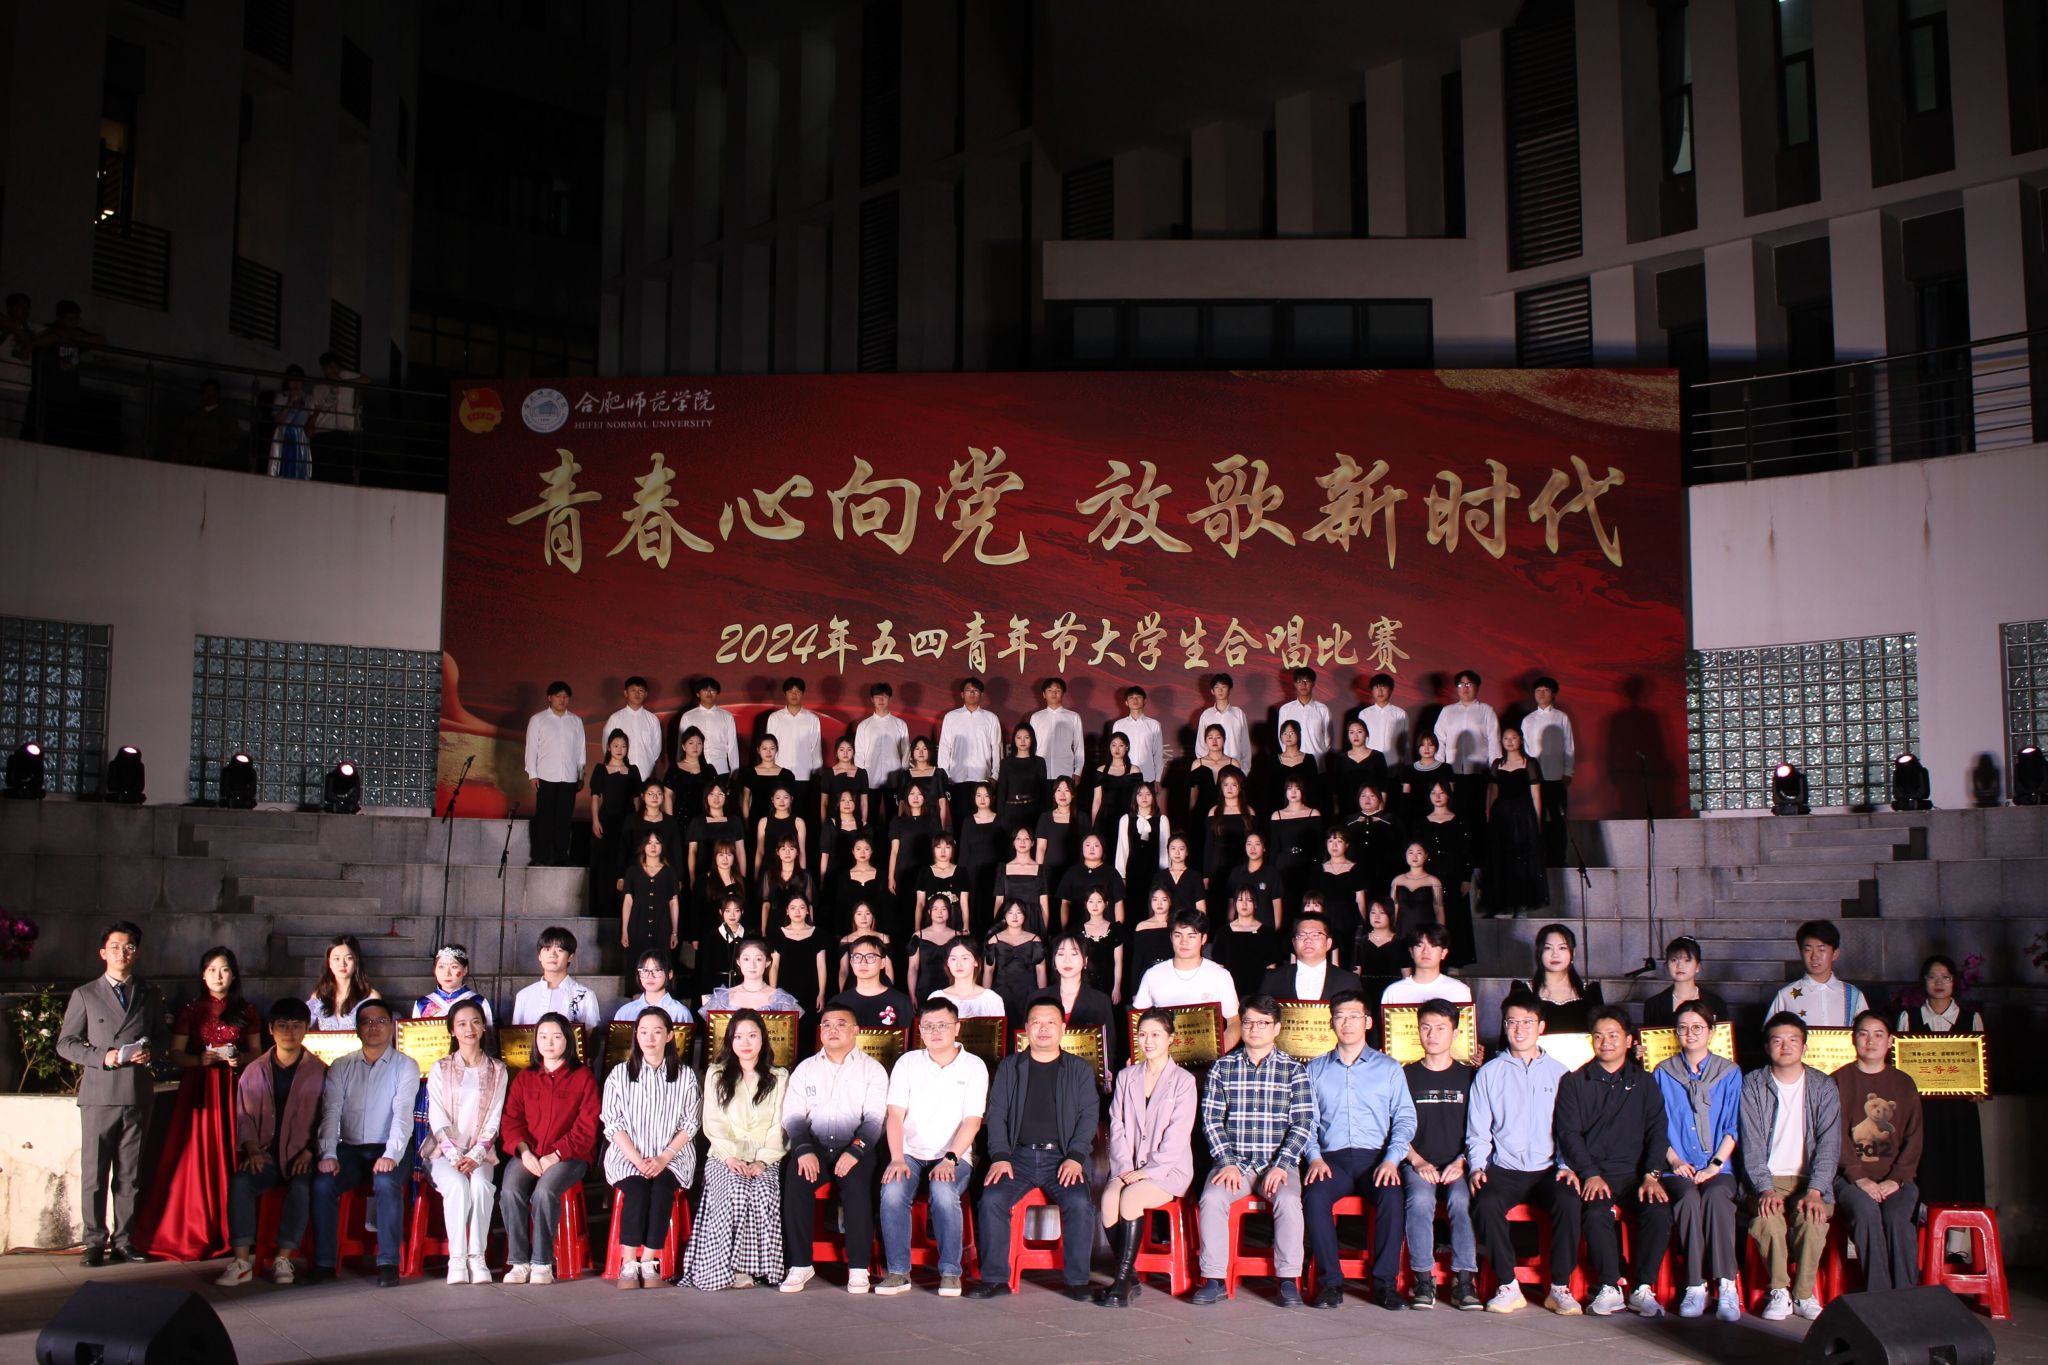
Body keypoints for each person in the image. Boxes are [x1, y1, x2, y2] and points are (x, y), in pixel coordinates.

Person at [967, 997, 1100, 1301]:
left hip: (1063, 1158)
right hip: (1018, 1157)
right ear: (1026, 1028)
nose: (1043, 1028)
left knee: (1080, 1204)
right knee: (992, 1199)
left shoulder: (1078, 1069)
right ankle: (995, 1279)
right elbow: (997, 1114)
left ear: (1062, 1028)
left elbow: (1088, 1115)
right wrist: (1000, 1156)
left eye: (1051, 1022)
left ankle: (1077, 1281)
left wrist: (1076, 1157)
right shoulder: (1010, 1067)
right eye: (1037, 1022)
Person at [137, 946, 262, 1260]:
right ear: (203, 975)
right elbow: (175, 1054)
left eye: (225, 969)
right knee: (197, 1153)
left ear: (234, 975)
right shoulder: (191, 1010)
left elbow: (257, 1052)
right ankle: (197, 1226)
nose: (218, 976)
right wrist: (198, 1060)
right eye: (212, 970)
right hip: (200, 1087)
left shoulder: (246, 1009)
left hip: (234, 1086)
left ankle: (236, 1230)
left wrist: (239, 1059)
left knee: (233, 1150)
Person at [1191, 995, 1315, 1306]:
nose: (1254, 1028)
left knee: (1289, 1201)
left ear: (1277, 1028)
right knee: (1212, 1198)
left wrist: (1282, 1165)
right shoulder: (1223, 1067)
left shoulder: (1294, 1070)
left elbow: (1302, 1123)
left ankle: (1288, 1279)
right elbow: (1211, 1120)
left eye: (1263, 1023)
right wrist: (1226, 1162)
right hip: (1235, 1164)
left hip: (1277, 1165)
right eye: (1248, 1022)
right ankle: (1214, 1278)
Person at [1552, 1007, 1671, 1317]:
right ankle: (1609, 1286)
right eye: (1599, 1036)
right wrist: (1589, 1172)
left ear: (1629, 1040)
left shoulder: (1644, 1082)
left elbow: (1658, 1132)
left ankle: (1643, 1288)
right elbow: (1568, 1133)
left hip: (1636, 1174)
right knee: (1595, 1212)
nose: (1606, 1042)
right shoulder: (1575, 1081)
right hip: (1596, 1173)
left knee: (1659, 1211)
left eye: (1614, 1035)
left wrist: (1651, 1174)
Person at [1300, 990, 1414, 1311]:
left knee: (1392, 1196)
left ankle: (1384, 1284)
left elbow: (1405, 1118)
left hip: (1376, 1159)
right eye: (1340, 1017)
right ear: (1331, 1023)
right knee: (1315, 1195)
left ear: (1367, 1022)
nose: (1347, 1023)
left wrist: (1392, 1160)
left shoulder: (1389, 1068)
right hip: (1331, 1160)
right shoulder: (1315, 1069)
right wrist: (1314, 1157)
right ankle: (1330, 1283)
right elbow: (1305, 1120)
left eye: (1354, 1016)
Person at [1467, 993, 1575, 1315]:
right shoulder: (1489, 1073)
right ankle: (1508, 1285)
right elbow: (1478, 1130)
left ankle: (1559, 1286)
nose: (1519, 1029)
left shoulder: (1561, 1073)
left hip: (1548, 1168)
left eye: (1527, 1022)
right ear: (1504, 1026)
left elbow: (1569, 1130)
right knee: (1485, 1203)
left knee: (1569, 1201)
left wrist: (1567, 1165)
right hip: (1506, 1167)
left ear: (1541, 1027)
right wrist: (1477, 1167)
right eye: (1512, 1022)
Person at [877, 1000, 989, 1296]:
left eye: (942, 1025)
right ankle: (898, 1272)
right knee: (892, 1192)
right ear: (920, 1030)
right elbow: (895, 1115)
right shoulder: (908, 1062)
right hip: (910, 1153)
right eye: (928, 1026)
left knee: (943, 1192)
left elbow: (972, 1121)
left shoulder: (974, 1066)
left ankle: (951, 1272)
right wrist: (897, 1158)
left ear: (957, 1028)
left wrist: (950, 1159)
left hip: (954, 1155)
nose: (935, 1032)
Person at [780, 1004, 890, 1294]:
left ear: (856, 1031)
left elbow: (876, 1119)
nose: (832, 1030)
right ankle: (800, 1264)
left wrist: (855, 1151)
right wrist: (803, 1148)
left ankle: (859, 1268)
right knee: (795, 1182)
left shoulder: (872, 1070)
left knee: (858, 1190)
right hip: (814, 1146)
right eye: (826, 1025)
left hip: (855, 1148)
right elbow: (792, 1115)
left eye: (841, 1024)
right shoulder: (806, 1068)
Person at [309, 1000, 420, 1287]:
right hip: (351, 1149)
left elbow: (403, 1114)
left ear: (391, 1027)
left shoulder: (405, 1066)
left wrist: (391, 1154)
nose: (374, 1027)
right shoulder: (341, 1065)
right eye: (367, 1022)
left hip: (391, 1148)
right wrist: (328, 1153)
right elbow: (331, 1112)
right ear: (357, 1029)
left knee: (385, 1181)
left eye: (380, 1021)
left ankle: (388, 1263)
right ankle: (324, 1263)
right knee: (323, 1183)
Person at [1740, 1012, 1841, 1321]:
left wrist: (1816, 1190)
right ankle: (1779, 1290)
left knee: (1812, 1218)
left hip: (1809, 1181)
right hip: (1766, 1179)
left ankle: (1803, 1294)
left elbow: (1829, 1145)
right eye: (1777, 1040)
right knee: (1768, 1218)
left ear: (1805, 1046)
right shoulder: (1753, 1084)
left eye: (1793, 1040)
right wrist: (1764, 1188)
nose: (1785, 1046)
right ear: (1767, 1047)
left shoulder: (1823, 1086)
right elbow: (1751, 1144)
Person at [217, 998, 324, 1286]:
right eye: (283, 1026)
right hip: (263, 1155)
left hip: (300, 1156)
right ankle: (241, 1261)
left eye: (297, 1026)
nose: (290, 1032)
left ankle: (283, 1258)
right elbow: (244, 1116)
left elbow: (328, 1119)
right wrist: (252, 1149)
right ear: (270, 1029)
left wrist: (310, 1152)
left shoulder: (319, 1071)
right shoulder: (255, 1070)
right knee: (241, 1183)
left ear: (307, 1029)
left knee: (301, 1187)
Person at [682, 1009, 790, 1290]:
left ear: (763, 1039)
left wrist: (763, 1161)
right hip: (723, 1154)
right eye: (739, 1036)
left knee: (762, 1190)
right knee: (736, 1189)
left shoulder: (778, 1076)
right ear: (730, 1041)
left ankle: (752, 1267)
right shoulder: (717, 1074)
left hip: (765, 1154)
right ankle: (723, 1268)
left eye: (752, 1036)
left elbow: (778, 1125)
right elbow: (713, 1122)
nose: (746, 1042)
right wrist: (730, 1157)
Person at [1098, 1007, 1198, 1306]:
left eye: (1155, 1034)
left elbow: (1179, 1134)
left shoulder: (1183, 1081)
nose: (1148, 1041)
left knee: (1131, 1198)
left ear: (1171, 1038)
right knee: (1108, 1199)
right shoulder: (1127, 1076)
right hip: (1128, 1165)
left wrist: (1149, 1171)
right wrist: (1124, 1167)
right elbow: (1116, 1125)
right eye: (1142, 1035)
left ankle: (1121, 1282)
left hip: (1168, 1170)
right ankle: (1130, 1276)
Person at [1653, 1000, 1743, 1322]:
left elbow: (1733, 1126)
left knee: (1717, 1197)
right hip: (1677, 1166)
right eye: (1683, 1028)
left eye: (1697, 1028)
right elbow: (1657, 1126)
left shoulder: (1729, 1073)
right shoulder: (1663, 1072)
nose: (1690, 1034)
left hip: (1719, 1165)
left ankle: (1727, 1285)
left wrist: (1714, 1165)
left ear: (1711, 1032)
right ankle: (1695, 1284)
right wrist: (1675, 1161)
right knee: (1689, 1199)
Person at [601, 1007, 701, 1290]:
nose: (650, 1038)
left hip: (672, 1157)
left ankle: (649, 1260)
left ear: (669, 1036)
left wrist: (663, 1157)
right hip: (628, 1156)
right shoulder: (620, 1074)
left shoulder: (684, 1076)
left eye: (657, 1032)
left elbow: (691, 1122)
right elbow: (612, 1122)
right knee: (637, 1189)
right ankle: (628, 1262)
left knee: (661, 1189)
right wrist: (637, 1160)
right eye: (643, 1032)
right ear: (636, 1035)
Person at [498, 1012, 600, 1284]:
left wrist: (556, 1154)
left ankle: (542, 1263)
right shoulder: (525, 1077)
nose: (549, 1042)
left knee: (544, 1192)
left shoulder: (583, 1078)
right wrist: (524, 1152)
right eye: (543, 1037)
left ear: (568, 1040)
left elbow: (587, 1127)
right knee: (510, 1190)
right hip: (529, 1152)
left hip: (570, 1156)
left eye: (556, 1036)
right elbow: (511, 1120)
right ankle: (519, 1262)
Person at [1401, 999, 1483, 1310]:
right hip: (1417, 1162)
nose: (1432, 1035)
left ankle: (1464, 1280)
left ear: (1456, 1033)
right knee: (1420, 1200)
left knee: (1462, 1201)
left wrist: (1462, 1160)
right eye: (1426, 1027)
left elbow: (1479, 1127)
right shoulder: (1405, 1075)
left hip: (1457, 1164)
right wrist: (1416, 1160)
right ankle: (1423, 1278)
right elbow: (1394, 1127)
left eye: (1440, 1028)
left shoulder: (1470, 1076)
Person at [1833, 1010, 1922, 1292]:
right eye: (1863, 1034)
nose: (1870, 1041)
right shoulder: (1838, 1081)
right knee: (1867, 1213)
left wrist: (1896, 1179)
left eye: (1878, 1034)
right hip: (1849, 1180)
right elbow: (1834, 1136)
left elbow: (1914, 1136)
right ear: (1853, 1039)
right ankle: (1879, 1296)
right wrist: (1859, 1177)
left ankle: (1906, 1295)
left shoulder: (1904, 1083)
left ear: (1890, 1041)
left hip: (1897, 1180)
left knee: (1897, 1219)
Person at [422, 1000, 508, 1284]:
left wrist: (475, 1155)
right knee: (458, 1186)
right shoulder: (440, 1068)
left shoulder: (498, 1069)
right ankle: (457, 1260)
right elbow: (437, 1118)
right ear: (452, 1031)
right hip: (443, 1154)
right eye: (461, 1024)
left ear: (483, 1027)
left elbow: (494, 1118)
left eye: (475, 1022)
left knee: (482, 1186)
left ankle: (477, 1257)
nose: (469, 1029)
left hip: (481, 1154)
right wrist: (455, 1156)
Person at [1896, 954, 1985, 1211]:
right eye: (1932, 977)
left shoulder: (1971, 1018)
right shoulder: (1909, 1018)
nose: (1939, 983)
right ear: (1923, 981)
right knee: (1926, 1167)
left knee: (1961, 1169)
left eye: (1945, 977)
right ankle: (1924, 1231)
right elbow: (1899, 1067)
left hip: (1961, 1111)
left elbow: (1979, 1065)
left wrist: (1979, 1088)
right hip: (1921, 1110)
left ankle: (1957, 1235)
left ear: (1954, 982)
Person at [1131, 911, 1242, 1052]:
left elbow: (1234, 1023)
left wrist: (1215, 1052)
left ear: (1203, 939)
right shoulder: (1153, 974)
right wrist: (1140, 1055)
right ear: (1171, 937)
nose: (1184, 942)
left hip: (1207, 1059)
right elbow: (1138, 1021)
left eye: (1191, 936)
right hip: (1162, 1059)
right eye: (1178, 935)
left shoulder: (1220, 976)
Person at [511, 927, 603, 1060]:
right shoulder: (524, 996)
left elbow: (589, 1038)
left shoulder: (585, 995)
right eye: (547, 949)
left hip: (569, 1067)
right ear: (539, 956)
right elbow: (516, 1038)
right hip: (532, 1067)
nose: (552, 955)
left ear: (570, 956)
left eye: (559, 950)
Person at [1484, 728, 1548, 916]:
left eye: (1514, 738)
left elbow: (1536, 795)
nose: (1510, 741)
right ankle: (1500, 904)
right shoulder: (1497, 764)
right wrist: (1488, 815)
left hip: (1523, 815)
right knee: (1501, 858)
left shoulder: (1529, 763)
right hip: (1501, 815)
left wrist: (1536, 822)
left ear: (1521, 740)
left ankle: (1521, 904)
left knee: (1521, 859)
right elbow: (1492, 793)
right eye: (1506, 738)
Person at [1433, 671, 1501, 839]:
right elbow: (1439, 740)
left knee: (1477, 813)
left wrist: (1495, 769)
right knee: (1454, 811)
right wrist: (1438, 766)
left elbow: (1494, 740)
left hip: (1478, 772)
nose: (1465, 688)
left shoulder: (1486, 711)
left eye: (1469, 684)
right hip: (1452, 771)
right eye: (1461, 684)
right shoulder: (1448, 711)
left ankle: (1478, 850)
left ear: (1477, 687)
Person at [524, 681, 586, 867]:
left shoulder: (576, 721)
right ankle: (542, 855)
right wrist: (532, 773)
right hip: (546, 775)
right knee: (544, 818)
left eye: (565, 696)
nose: (562, 700)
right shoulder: (538, 720)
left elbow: (580, 749)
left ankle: (561, 856)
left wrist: (581, 773)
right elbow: (531, 748)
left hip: (569, 776)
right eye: (558, 696)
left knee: (564, 818)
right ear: (549, 698)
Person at [1415, 778, 1476, 965]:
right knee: (1432, 915)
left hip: (1454, 875)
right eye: (1433, 793)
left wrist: (1466, 878)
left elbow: (1467, 851)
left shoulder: (1460, 820)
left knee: (1456, 916)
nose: (1437, 796)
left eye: (1442, 792)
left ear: (1448, 795)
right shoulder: (1422, 822)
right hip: (1430, 874)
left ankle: (1455, 961)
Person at [1766, 920, 1869, 1025]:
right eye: (1808, 950)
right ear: (1801, 953)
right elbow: (1771, 1032)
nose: (1814, 956)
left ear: (1835, 954)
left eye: (1821, 949)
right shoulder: (1786, 995)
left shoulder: (1853, 995)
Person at [1521, 677, 1574, 866]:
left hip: (1556, 777)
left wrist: (1568, 771)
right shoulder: (1528, 720)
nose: (1541, 694)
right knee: (1536, 819)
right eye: (1538, 690)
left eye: (1545, 690)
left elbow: (1569, 747)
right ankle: (1537, 859)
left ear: (1553, 694)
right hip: (1534, 779)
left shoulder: (1561, 717)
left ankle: (1558, 860)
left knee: (1558, 820)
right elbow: (1525, 750)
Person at [937, 676, 1002, 830]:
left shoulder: (991, 718)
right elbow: (945, 746)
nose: (972, 693)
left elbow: (997, 748)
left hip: (982, 778)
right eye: (968, 690)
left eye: (975, 690)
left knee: (983, 823)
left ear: (981, 694)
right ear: (962, 694)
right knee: (959, 822)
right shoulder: (951, 717)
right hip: (956, 779)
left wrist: (995, 775)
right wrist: (945, 774)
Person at [765, 676, 825, 830]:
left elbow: (816, 748)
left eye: (797, 691)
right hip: (780, 774)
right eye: (790, 691)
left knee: (803, 816)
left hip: (804, 775)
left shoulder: (812, 719)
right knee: (780, 815)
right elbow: (769, 747)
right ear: (785, 694)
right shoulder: (775, 718)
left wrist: (817, 773)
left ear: (803, 694)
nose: (794, 694)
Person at [1261, 912, 1362, 1002]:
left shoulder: (1349, 981)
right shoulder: (1273, 978)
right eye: (1301, 935)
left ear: (1329, 943)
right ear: (1294, 943)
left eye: (1315, 935)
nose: (1308, 940)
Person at [620, 830, 682, 973]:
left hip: (662, 923)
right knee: (637, 962)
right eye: (649, 843)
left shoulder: (669, 872)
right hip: (638, 923)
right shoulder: (633, 871)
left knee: (661, 962)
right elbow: (628, 901)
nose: (653, 846)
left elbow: (673, 902)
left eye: (657, 843)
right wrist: (624, 930)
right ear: (643, 846)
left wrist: (674, 931)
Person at [1529, 923, 1604, 1034]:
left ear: (1572, 953)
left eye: (1562, 948)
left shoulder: (1590, 992)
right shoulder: (1525, 991)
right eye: (1548, 948)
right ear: (1539, 953)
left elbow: (1601, 1032)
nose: (1555, 954)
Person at [827, 934, 914, 1028]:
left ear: (883, 963)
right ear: (851, 962)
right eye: (857, 957)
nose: (863, 962)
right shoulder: (838, 1002)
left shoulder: (901, 1002)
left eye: (870, 957)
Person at [1640, 937, 1728, 1029]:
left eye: (1687, 960)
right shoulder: (1653, 1005)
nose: (1680, 966)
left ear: (1697, 966)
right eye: (1674, 960)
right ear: (1667, 965)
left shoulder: (1716, 1002)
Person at [886, 782, 940, 933]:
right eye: (912, 794)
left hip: (925, 870)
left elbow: (938, 847)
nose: (915, 797)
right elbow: (894, 851)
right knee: (904, 909)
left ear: (925, 798)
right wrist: (890, 876)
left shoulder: (932, 820)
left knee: (926, 908)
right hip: (903, 870)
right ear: (906, 798)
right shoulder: (898, 821)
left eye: (919, 794)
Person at [708, 938, 806, 1020]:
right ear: (738, 962)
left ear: (767, 962)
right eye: (746, 959)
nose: (752, 965)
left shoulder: (781, 1000)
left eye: (758, 959)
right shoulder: (723, 998)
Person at [1265, 775, 1324, 912]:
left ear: (1303, 791)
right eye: (1289, 788)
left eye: (1297, 788)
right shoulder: (1277, 815)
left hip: (1307, 864)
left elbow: (1319, 846)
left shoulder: (1313, 813)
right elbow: (1274, 848)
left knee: (1307, 902)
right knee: (1286, 905)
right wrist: (1271, 872)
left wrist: (1316, 864)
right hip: (1284, 865)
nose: (1293, 792)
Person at [1213, 887, 1282, 1003]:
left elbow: (1271, 968)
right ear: (1234, 903)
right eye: (1240, 900)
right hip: (1230, 991)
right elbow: (1219, 967)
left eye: (1249, 900)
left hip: (1259, 994)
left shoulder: (1267, 933)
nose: (1244, 904)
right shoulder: (1223, 932)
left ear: (1255, 904)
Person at [1379, 924, 1472, 1009]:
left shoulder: (1459, 990)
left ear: (1443, 953)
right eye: (1419, 945)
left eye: (1433, 946)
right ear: (1411, 952)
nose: (1426, 951)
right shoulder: (1394, 992)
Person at [1034, 777, 1086, 929]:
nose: (1062, 794)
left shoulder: (1082, 818)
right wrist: (1039, 873)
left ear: (1073, 794)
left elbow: (1087, 847)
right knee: (1052, 911)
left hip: (1075, 873)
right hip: (1051, 873)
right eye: (1058, 790)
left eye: (1067, 790)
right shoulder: (1045, 818)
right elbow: (1041, 848)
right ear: (1053, 794)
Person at [1343, 784, 1407, 905]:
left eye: (1372, 796)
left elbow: (1402, 845)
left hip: (1385, 873)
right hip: (1355, 873)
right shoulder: (1349, 821)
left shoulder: (1391, 820)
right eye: (1363, 796)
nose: (1367, 799)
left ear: (1379, 799)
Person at [854, 682, 910, 821]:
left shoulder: (900, 724)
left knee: (894, 818)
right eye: (877, 697)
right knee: (870, 818)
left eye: (884, 696)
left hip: (894, 780)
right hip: (870, 780)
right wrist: (861, 779)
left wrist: (903, 778)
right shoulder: (864, 726)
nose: (881, 700)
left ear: (890, 699)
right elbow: (859, 754)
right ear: (871, 699)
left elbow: (906, 753)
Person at [770, 895, 829, 1024]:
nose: (797, 911)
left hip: (811, 990)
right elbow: (774, 966)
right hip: (785, 989)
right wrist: (773, 993)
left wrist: (821, 993)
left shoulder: (818, 934)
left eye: (802, 907)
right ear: (787, 911)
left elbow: (821, 966)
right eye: (793, 908)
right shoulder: (778, 934)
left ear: (807, 910)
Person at [984, 901, 1047, 1022]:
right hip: (1002, 990)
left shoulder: (1035, 939)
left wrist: (1042, 996)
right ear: (1004, 915)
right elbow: (988, 971)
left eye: (1019, 912)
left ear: (1025, 915)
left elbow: (1040, 971)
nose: (1014, 916)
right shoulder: (994, 939)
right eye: (1010, 912)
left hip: (1028, 990)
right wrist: (986, 996)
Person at [307, 934, 381, 1031]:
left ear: (356, 961)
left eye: (348, 958)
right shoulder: (318, 997)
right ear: (329, 963)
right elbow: (301, 1024)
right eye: (336, 959)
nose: (342, 964)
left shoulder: (370, 997)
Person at [603, 676, 665, 791]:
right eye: (633, 690)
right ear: (626, 693)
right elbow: (607, 745)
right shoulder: (615, 718)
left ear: (645, 694)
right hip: (620, 773)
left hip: (645, 772)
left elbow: (656, 749)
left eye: (640, 690)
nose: (637, 694)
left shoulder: (652, 719)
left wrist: (648, 763)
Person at [308, 351, 363, 479]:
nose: (333, 370)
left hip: (340, 432)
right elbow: (316, 409)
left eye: (335, 366)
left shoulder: (345, 379)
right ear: (323, 369)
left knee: (342, 473)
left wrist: (345, 383)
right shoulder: (319, 387)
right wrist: (311, 424)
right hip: (322, 432)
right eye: (330, 367)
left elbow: (368, 380)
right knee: (321, 472)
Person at [957, 782, 1005, 928]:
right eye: (979, 795)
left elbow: (1006, 850)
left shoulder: (1001, 820)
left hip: (995, 872)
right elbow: (963, 852)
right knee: (974, 907)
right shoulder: (968, 821)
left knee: (994, 907)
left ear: (992, 798)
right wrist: (961, 876)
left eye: (986, 795)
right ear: (974, 798)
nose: (982, 799)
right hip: (973, 872)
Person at [1056, 832, 1125, 932]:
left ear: (1103, 848)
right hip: (1077, 928)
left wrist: (1118, 930)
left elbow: (1119, 902)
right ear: (1082, 848)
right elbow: (1065, 902)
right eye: (1088, 845)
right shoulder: (1072, 872)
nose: (1091, 849)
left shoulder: (1112, 872)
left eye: (1096, 845)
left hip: (1106, 929)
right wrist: (1065, 930)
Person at [1328, 718, 1391, 824]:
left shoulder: (1377, 756)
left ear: (1366, 734)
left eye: (1359, 732)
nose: (1355, 736)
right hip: (1347, 809)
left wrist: (1380, 811)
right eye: (1351, 732)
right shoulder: (1341, 759)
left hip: (1371, 808)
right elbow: (1336, 790)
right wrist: (1337, 811)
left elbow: (1383, 787)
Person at [677, 676, 741, 779]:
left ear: (717, 693)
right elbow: (682, 744)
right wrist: (680, 768)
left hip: (721, 769)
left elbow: (732, 746)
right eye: (705, 690)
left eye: (712, 690)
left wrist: (735, 770)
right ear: (698, 694)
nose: (709, 693)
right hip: (695, 770)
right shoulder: (688, 716)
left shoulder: (727, 716)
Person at [992, 823, 1050, 934]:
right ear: (1013, 842)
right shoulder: (1003, 868)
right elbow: (999, 901)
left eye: (1026, 839)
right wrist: (997, 927)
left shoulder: (1041, 870)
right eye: (1018, 838)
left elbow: (1044, 903)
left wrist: (1044, 931)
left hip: (1033, 920)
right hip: (1010, 921)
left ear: (1032, 842)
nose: (1022, 842)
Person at [686, 782, 748, 886]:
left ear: (725, 797)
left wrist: (742, 878)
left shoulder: (735, 821)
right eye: (712, 794)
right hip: (704, 873)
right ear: (706, 797)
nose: (716, 798)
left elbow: (740, 851)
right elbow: (692, 852)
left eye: (720, 794)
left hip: (730, 875)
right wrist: (692, 878)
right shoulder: (697, 822)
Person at [177, 378, 247, 469]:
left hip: (215, 463)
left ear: (217, 394)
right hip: (193, 461)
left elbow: (234, 441)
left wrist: (219, 450)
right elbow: (183, 436)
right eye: (206, 393)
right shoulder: (194, 414)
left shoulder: (227, 417)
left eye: (211, 392)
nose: (208, 396)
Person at [1113, 781, 1169, 890]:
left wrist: (1164, 875)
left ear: (1153, 797)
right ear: (1135, 797)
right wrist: (1122, 876)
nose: (1144, 797)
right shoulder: (1126, 819)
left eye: (1148, 794)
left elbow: (1164, 850)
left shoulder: (1162, 820)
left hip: (1155, 873)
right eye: (1140, 794)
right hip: (1132, 872)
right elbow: (1122, 849)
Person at [931, 938, 1007, 1018]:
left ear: (976, 962)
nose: (958, 964)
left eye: (965, 958)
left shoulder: (991, 999)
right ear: (948, 963)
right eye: (953, 959)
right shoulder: (937, 997)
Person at [1029, 678, 1085, 786]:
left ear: (1063, 693)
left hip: (1065, 771)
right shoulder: (1036, 717)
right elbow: (1031, 746)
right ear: (1044, 694)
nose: (1054, 693)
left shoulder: (1073, 717)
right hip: (1041, 772)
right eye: (1050, 690)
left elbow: (1079, 747)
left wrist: (1078, 771)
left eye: (1057, 690)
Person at [1071, 888, 1124, 1002]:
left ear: (1106, 904)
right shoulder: (1077, 930)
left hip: (1108, 982)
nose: (1095, 905)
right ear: (1086, 904)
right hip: (1084, 982)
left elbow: (1118, 961)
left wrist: (1117, 987)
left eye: (1099, 901)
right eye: (1091, 901)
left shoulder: (1116, 929)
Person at [1112, 685, 1165, 798]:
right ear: (1126, 702)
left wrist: (1157, 779)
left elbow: (1158, 753)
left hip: (1147, 776)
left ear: (1144, 701)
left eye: (1138, 697)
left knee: (1146, 807)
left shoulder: (1154, 725)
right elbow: (1115, 753)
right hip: (1123, 776)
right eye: (1131, 697)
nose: (1135, 700)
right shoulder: (1119, 725)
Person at [615, 949, 695, 1024]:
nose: (650, 976)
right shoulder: (625, 1012)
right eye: (645, 970)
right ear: (639, 975)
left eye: (657, 970)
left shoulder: (680, 1013)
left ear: (669, 974)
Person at [910, 894, 965, 1002]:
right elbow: (913, 968)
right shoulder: (918, 936)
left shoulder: (957, 936)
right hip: (925, 990)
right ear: (929, 912)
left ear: (949, 912)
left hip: (953, 989)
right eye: (935, 909)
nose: (939, 913)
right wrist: (912, 995)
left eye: (943, 909)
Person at [1091, 732, 1144, 841]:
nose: (1117, 749)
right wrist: (1093, 824)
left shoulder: (1135, 771)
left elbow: (1139, 799)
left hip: (1128, 816)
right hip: (1105, 818)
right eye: (1114, 745)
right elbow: (1097, 800)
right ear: (1109, 747)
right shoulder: (1101, 771)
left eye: (1121, 745)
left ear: (1127, 747)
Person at [662, 724, 719, 825]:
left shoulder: (709, 770)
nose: (695, 747)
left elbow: (716, 794)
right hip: (680, 819)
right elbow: (668, 795)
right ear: (683, 746)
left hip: (705, 819)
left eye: (699, 743)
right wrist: (670, 821)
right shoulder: (675, 768)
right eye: (691, 743)